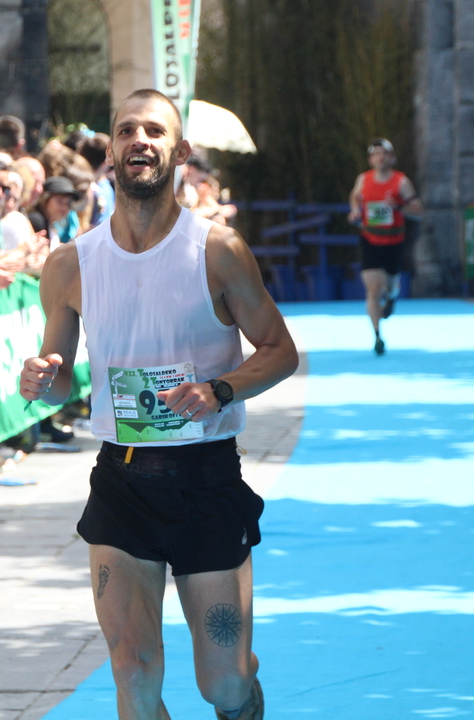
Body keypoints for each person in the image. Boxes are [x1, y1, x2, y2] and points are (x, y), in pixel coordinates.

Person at [19, 88, 298, 720]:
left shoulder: (218, 250)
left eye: (154, 130)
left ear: (181, 151)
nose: (138, 140)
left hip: (207, 479)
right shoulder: (70, 264)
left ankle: (242, 684)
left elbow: (280, 351)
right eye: (126, 131)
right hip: (122, 482)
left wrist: (220, 389)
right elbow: (59, 381)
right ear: (110, 153)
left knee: (223, 685)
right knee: (133, 670)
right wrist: (41, 378)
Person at [347, 138, 423, 355]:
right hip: (370, 240)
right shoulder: (363, 180)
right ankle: (377, 335)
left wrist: (399, 206)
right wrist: (355, 210)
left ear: (392, 158)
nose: (380, 157)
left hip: (393, 242)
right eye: (376, 154)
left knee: (388, 286)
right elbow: (355, 197)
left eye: (384, 153)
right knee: (373, 289)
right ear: (371, 159)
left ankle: (391, 296)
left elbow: (418, 211)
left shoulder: (401, 182)